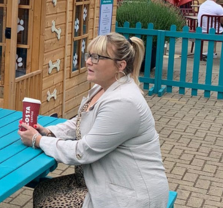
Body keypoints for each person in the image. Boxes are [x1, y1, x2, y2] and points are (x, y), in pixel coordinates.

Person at [19, 32, 169, 208]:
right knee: (44, 190)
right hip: (102, 180)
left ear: (120, 65)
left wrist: (38, 140)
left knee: (49, 202)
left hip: (130, 194)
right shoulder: (101, 88)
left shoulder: (123, 102)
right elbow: (80, 121)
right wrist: (50, 131)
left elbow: (83, 151)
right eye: (89, 55)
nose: (88, 61)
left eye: (97, 57)